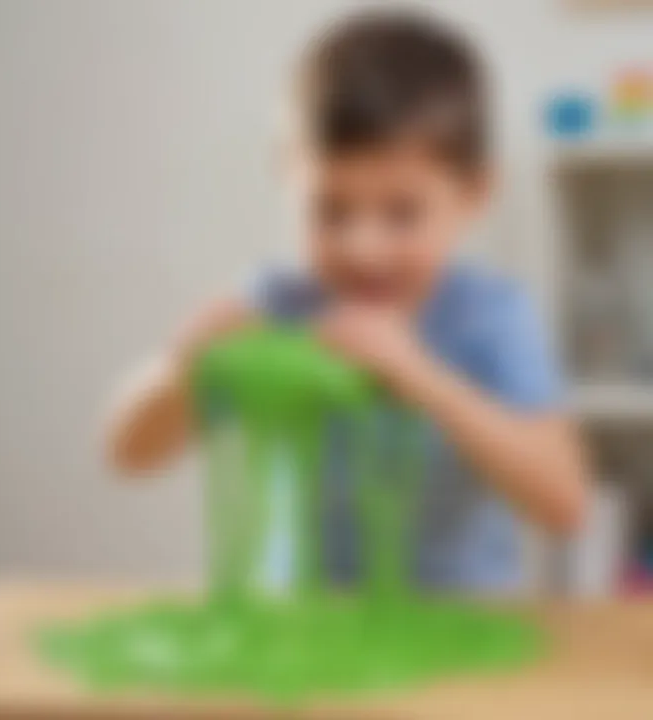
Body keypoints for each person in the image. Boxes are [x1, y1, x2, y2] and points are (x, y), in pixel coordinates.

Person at [105, 8, 588, 593]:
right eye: (328, 211)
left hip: (458, 631)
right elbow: (129, 455)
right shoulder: (276, 307)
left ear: (474, 194)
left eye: (401, 214)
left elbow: (564, 505)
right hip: (303, 629)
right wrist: (180, 369)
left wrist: (420, 377)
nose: (364, 248)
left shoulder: (490, 317)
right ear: (286, 180)